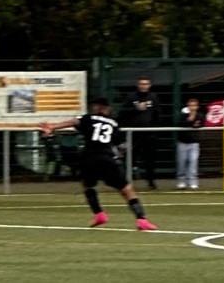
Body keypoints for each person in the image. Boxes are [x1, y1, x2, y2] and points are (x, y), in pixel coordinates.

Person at [41, 98, 157, 231]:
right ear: (105, 108)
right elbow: (122, 146)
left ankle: (99, 214)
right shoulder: (113, 124)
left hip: (89, 158)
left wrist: (52, 127)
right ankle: (141, 219)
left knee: (87, 185)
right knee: (126, 190)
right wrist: (119, 157)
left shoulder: (88, 118)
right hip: (107, 158)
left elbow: (74, 122)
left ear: (98, 107)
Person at [121, 77, 159, 189]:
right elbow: (123, 112)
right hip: (133, 133)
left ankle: (151, 181)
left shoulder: (153, 97)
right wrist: (136, 109)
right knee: (130, 157)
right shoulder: (131, 97)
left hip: (149, 133)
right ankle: (127, 181)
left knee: (150, 158)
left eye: (146, 84)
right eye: (141, 84)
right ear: (138, 85)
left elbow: (157, 113)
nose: (143, 86)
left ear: (149, 85)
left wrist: (154, 128)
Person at [176, 97, 205, 190]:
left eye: (194, 105)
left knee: (193, 162)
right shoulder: (182, 114)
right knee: (182, 162)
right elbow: (182, 123)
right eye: (190, 105)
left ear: (197, 106)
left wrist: (192, 122)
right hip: (183, 142)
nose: (192, 107)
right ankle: (181, 181)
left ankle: (193, 182)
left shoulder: (200, 115)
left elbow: (199, 124)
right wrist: (190, 118)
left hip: (194, 142)